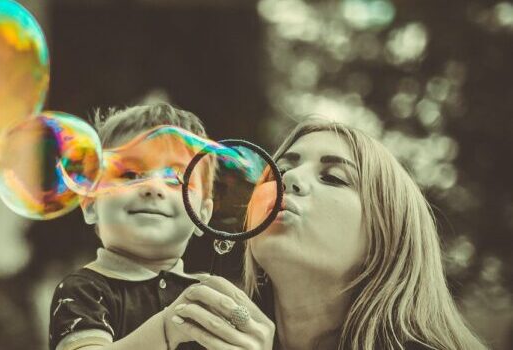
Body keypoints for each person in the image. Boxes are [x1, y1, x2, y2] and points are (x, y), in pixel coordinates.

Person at [163, 119, 488, 349]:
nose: (288, 180)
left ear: (386, 236)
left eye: (333, 177)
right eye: (281, 170)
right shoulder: (198, 336)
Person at [48, 103, 215, 350]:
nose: (153, 187)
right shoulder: (84, 290)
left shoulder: (208, 295)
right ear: (91, 204)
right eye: (130, 175)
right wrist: (166, 330)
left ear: (203, 215)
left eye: (176, 178)